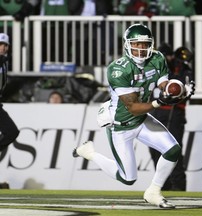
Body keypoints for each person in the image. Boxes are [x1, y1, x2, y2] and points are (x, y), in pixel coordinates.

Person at [73, 23, 195, 208]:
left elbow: (164, 85)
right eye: (136, 44)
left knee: (173, 150)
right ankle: (89, 153)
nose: (140, 48)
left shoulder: (157, 58)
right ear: (127, 45)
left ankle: (153, 192)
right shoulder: (118, 69)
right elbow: (132, 106)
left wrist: (179, 91)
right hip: (121, 125)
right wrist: (160, 102)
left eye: (144, 44)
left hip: (141, 119)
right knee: (128, 178)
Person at [149, 44, 194, 191]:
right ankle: (162, 188)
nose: (163, 59)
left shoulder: (182, 69)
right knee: (155, 153)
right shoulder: (152, 69)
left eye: (165, 56)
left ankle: (179, 190)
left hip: (174, 115)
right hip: (155, 113)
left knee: (173, 153)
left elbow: (185, 87)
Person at [0, 33, 19, 152]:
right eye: (0, 44)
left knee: (12, 132)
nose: (3, 47)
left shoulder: (5, 62)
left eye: (5, 45)